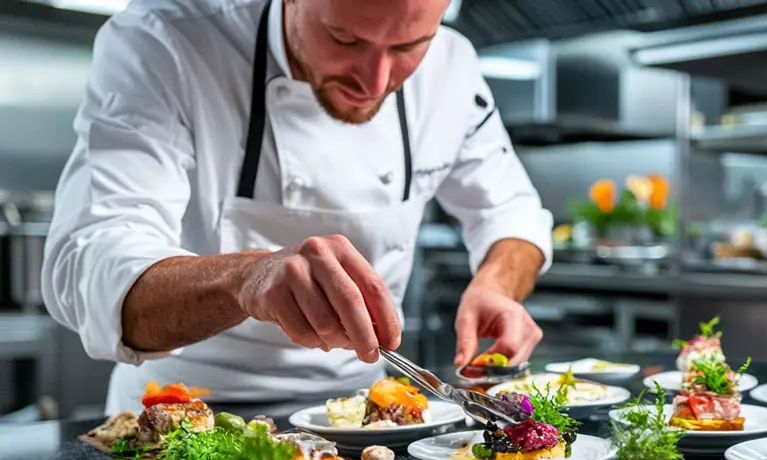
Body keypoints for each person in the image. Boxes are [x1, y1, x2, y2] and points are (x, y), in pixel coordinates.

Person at [42, 0, 553, 414]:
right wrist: (245, 276)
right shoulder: (165, 40)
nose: (374, 82)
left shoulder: (453, 65)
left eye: (408, 46)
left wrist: (496, 285)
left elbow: (510, 210)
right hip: (179, 418)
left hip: (365, 418)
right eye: (344, 40)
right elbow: (88, 267)